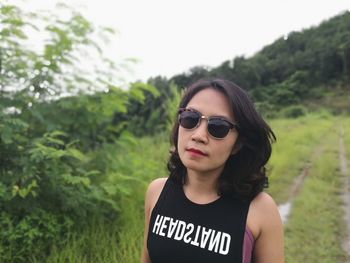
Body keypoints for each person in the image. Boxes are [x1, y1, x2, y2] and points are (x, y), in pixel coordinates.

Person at [140, 78, 284, 263]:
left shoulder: (260, 210)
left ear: (238, 144)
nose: (198, 136)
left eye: (218, 127)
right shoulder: (157, 192)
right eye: (190, 119)